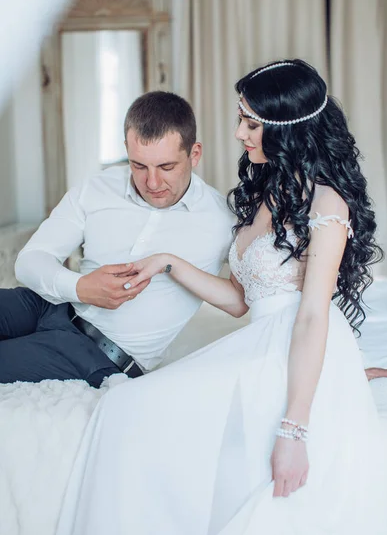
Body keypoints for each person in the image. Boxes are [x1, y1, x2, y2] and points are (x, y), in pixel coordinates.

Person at [53, 60, 387, 535]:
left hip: (291, 344)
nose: (238, 132)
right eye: (241, 117)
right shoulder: (266, 193)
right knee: (127, 404)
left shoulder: (327, 203)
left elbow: (314, 314)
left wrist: (294, 431)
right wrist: (167, 261)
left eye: (250, 122)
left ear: (288, 128)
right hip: (263, 339)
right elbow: (240, 300)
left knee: (133, 406)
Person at [0, 92, 234, 387]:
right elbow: (30, 261)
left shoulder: (223, 220)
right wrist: (81, 287)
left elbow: (243, 299)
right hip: (50, 304)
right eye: (139, 165)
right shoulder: (98, 187)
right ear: (127, 148)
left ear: (194, 154)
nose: (152, 183)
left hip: (97, 354)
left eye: (166, 167)